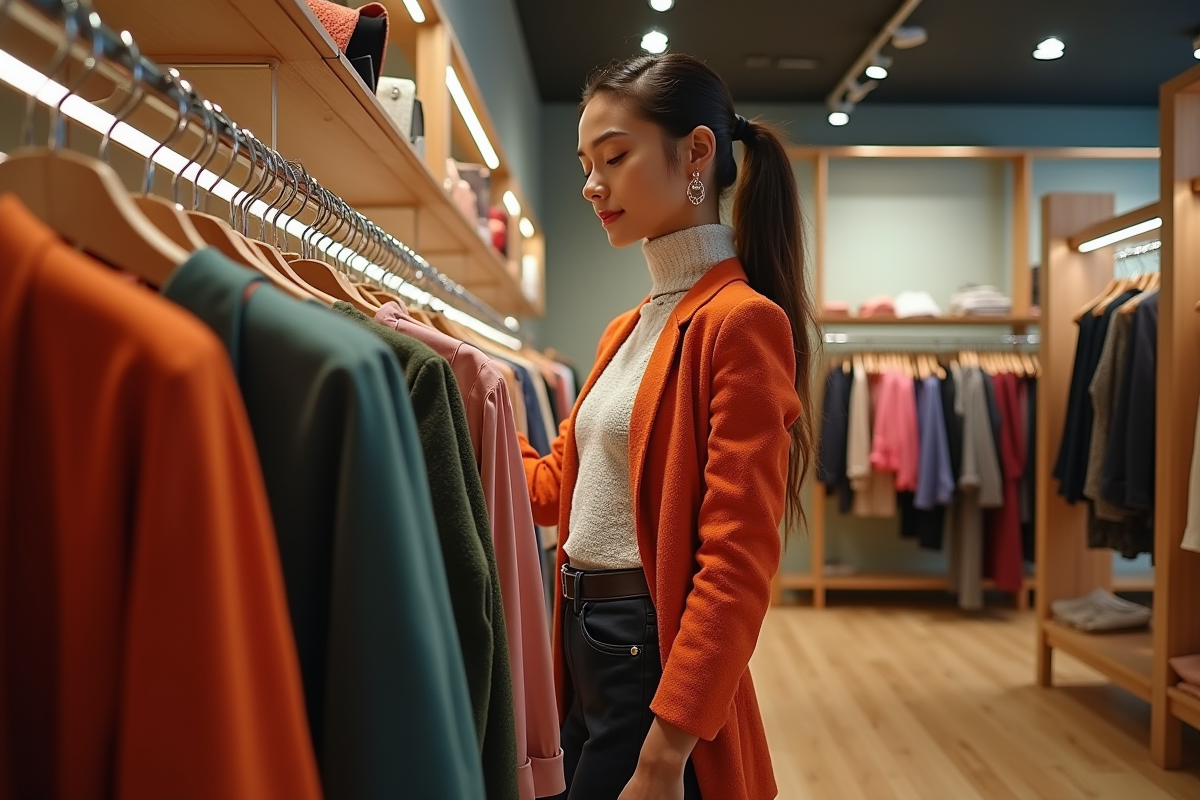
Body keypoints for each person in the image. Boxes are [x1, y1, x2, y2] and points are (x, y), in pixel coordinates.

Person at [519, 52, 817, 800]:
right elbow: (556, 488)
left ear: (696, 153)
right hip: (582, 640)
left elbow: (738, 557)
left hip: (643, 652)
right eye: (586, 163)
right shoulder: (627, 329)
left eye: (614, 157)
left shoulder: (742, 322)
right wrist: (466, 396)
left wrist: (665, 753)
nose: (592, 184)